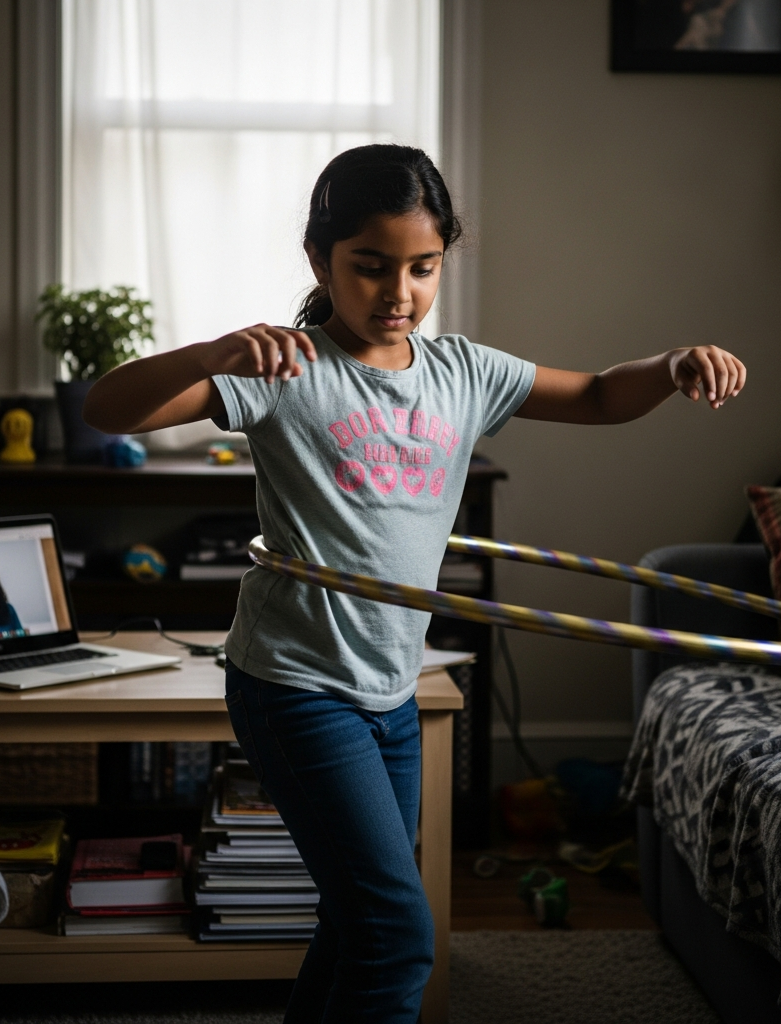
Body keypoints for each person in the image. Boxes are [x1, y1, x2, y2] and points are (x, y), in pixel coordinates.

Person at [83, 143, 746, 1023]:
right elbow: (107, 410)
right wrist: (212, 352)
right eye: (370, 268)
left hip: (393, 689)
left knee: (360, 921)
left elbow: (592, 395)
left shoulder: (463, 373)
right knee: (397, 932)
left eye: (422, 268)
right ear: (320, 261)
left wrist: (669, 368)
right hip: (295, 684)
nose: (398, 294)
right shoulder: (289, 370)